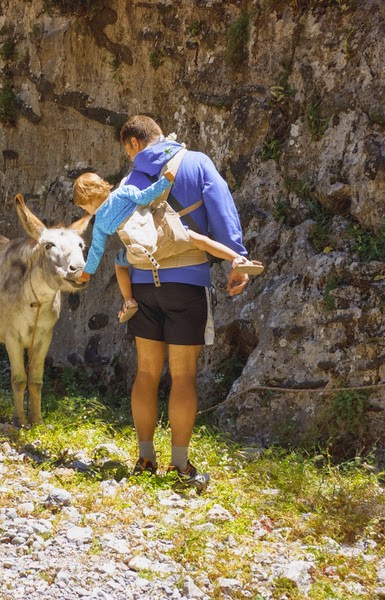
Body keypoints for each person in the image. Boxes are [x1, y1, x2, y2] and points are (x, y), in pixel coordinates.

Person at [116, 115, 253, 492]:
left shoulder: (131, 180)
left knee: (146, 373)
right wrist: (235, 259)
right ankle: (180, 465)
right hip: (188, 283)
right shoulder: (196, 163)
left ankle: (145, 458)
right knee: (183, 376)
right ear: (161, 136)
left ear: (133, 144)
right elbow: (221, 208)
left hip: (144, 285)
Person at [72, 171, 264, 323]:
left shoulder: (99, 224)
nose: (86, 211)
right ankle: (237, 259)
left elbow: (97, 250)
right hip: (164, 235)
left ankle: (129, 300)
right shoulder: (124, 192)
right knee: (201, 241)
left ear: (88, 202)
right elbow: (147, 196)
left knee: (119, 264)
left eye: (84, 208)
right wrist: (166, 181)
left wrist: (87, 272)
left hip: (141, 254)